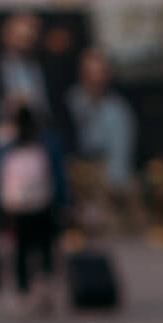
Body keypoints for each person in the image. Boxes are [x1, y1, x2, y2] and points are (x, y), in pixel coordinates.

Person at [0, 103, 66, 310]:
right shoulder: (46, 141)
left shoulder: (3, 144)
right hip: (43, 204)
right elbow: (59, 177)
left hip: (16, 207)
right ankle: (44, 285)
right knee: (45, 246)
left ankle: (23, 290)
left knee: (20, 248)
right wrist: (64, 203)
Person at [67, 48, 139, 229]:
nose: (95, 79)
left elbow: (120, 156)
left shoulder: (117, 110)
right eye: (89, 73)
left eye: (100, 74)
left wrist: (112, 189)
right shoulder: (70, 102)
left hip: (102, 179)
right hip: (73, 174)